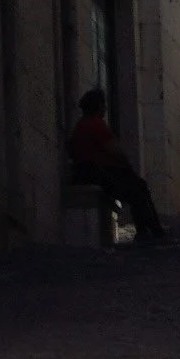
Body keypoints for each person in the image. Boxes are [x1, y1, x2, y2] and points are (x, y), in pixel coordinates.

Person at [67, 88, 167, 243]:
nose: (106, 109)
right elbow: (114, 150)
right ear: (99, 106)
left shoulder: (82, 125)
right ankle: (150, 232)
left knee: (137, 187)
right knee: (137, 190)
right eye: (103, 105)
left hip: (88, 172)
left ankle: (150, 231)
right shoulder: (95, 125)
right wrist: (125, 164)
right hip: (96, 173)